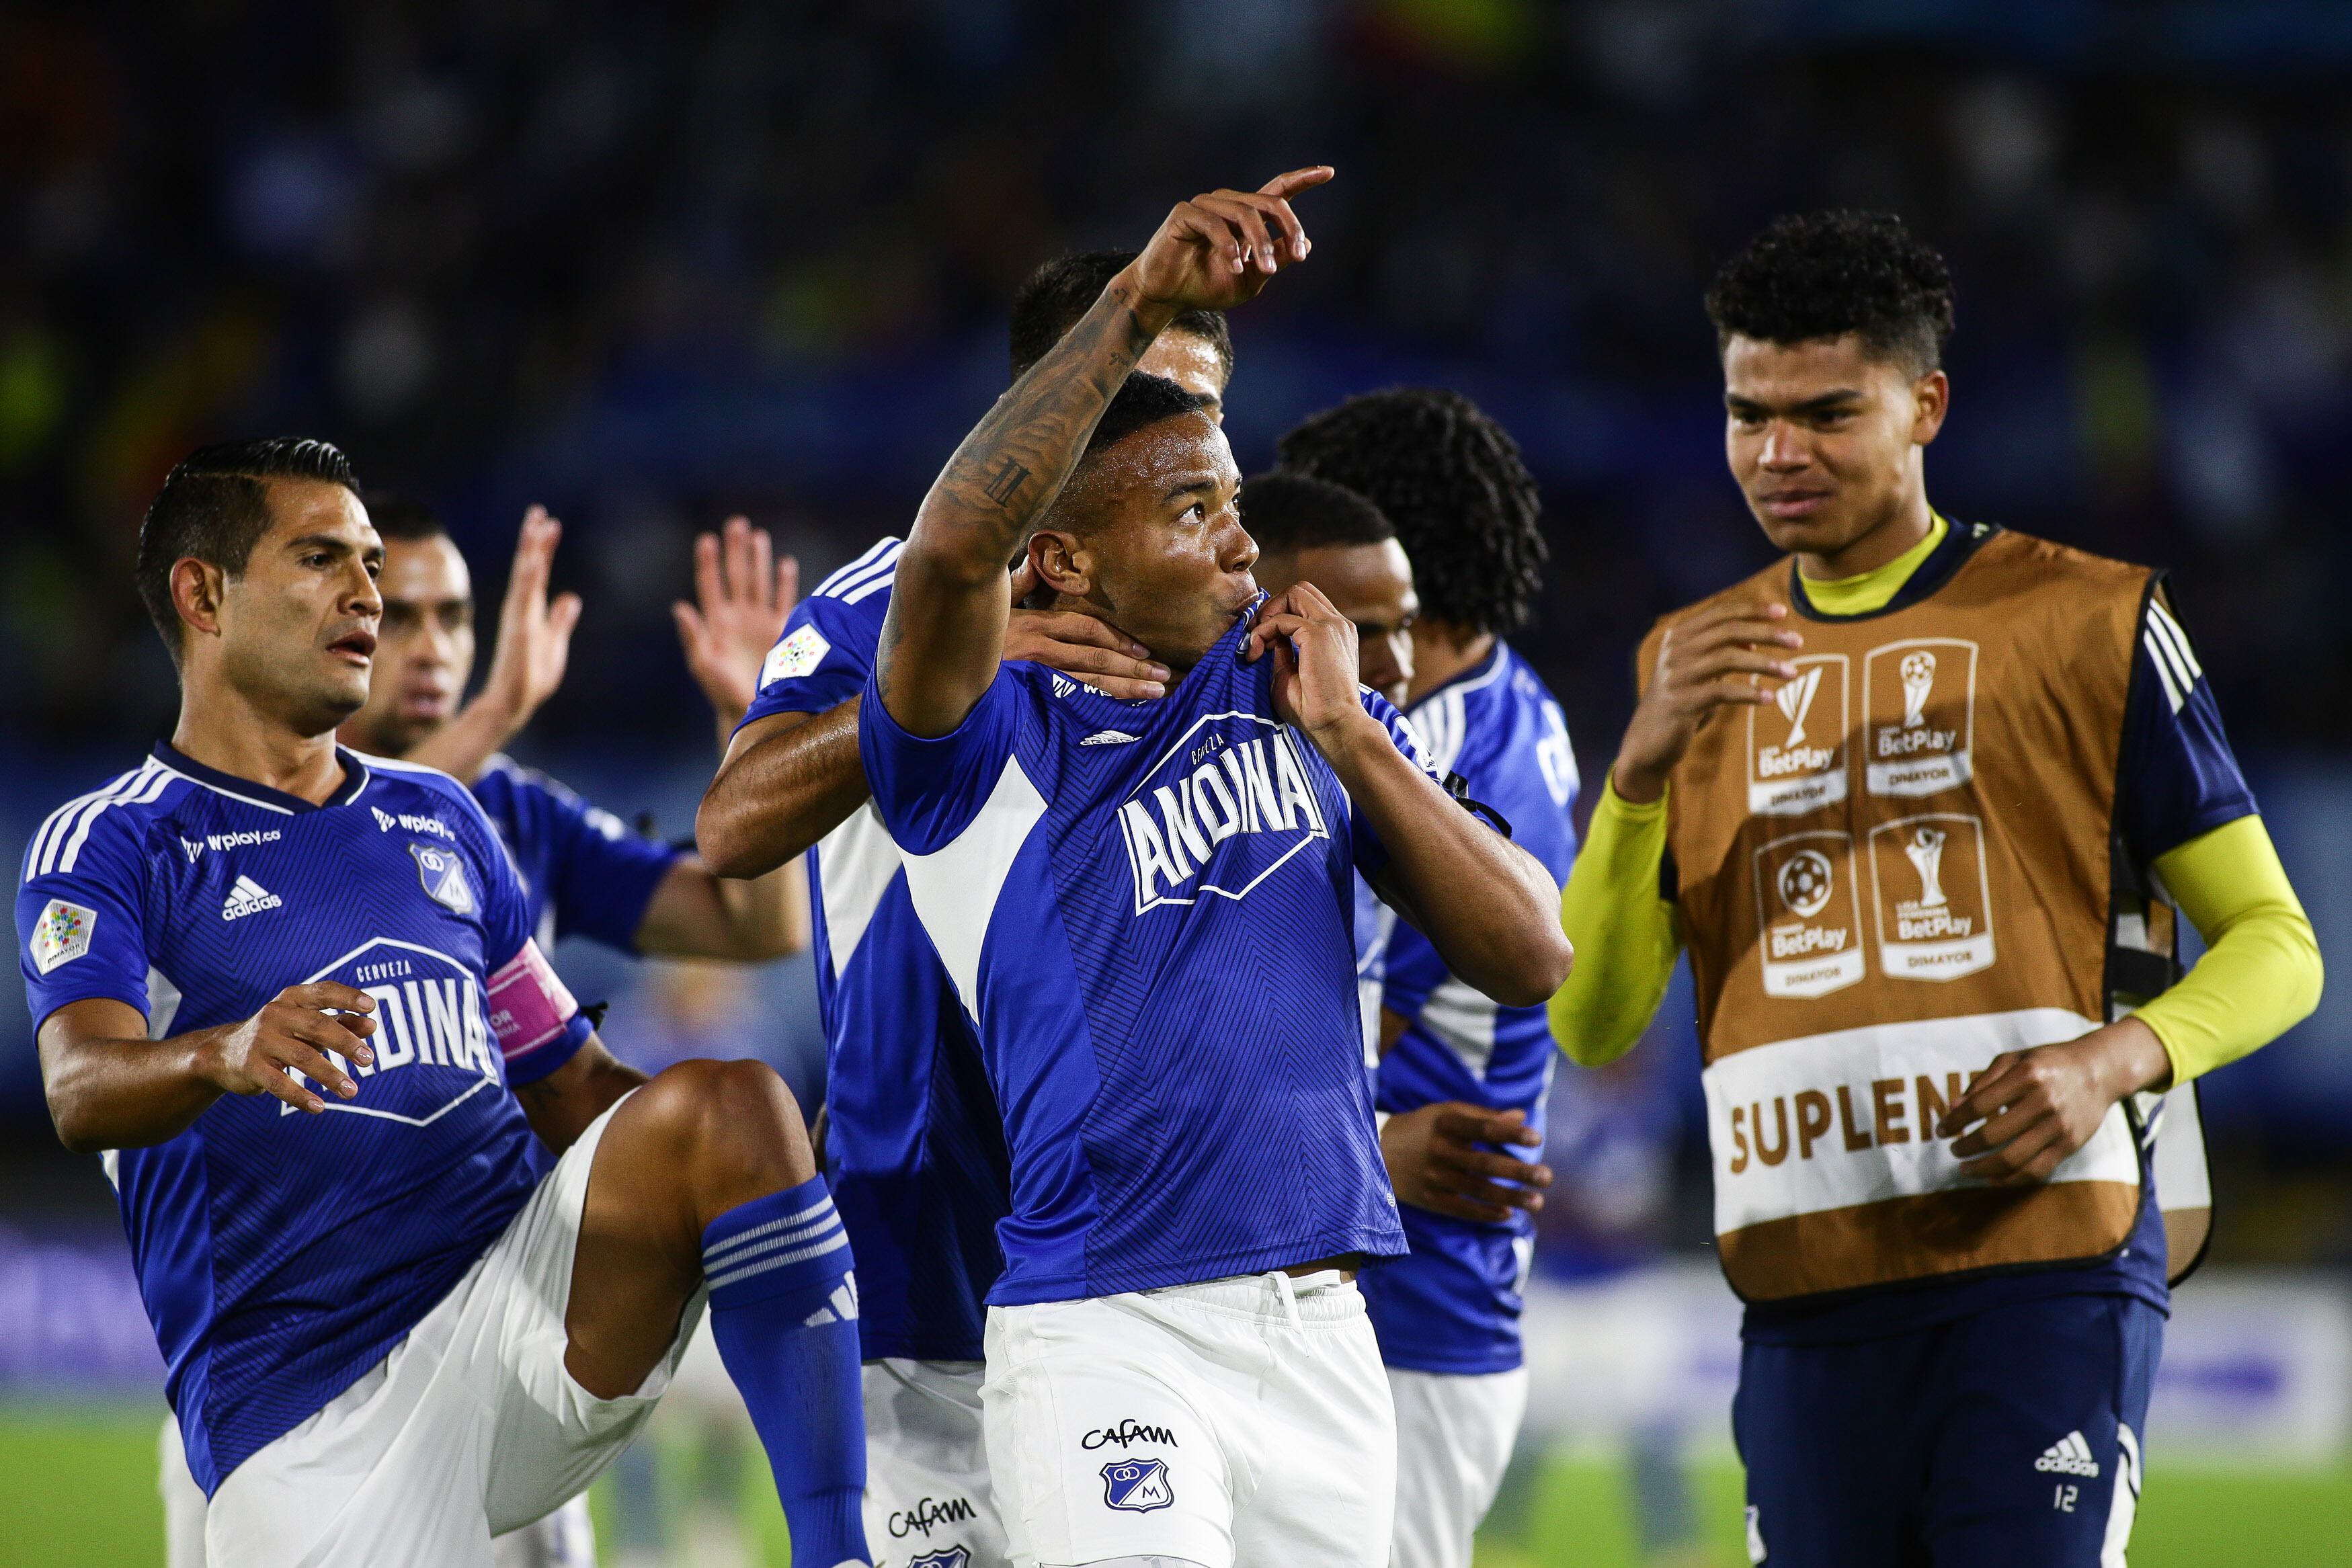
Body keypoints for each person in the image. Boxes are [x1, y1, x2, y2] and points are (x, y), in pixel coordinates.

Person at [1549, 210, 2324, 1565]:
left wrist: (2109, 1063)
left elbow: (2279, 943)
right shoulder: (1693, 660)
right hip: (1804, 1297)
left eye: (1826, 413)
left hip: (2041, 1270)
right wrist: (1637, 775)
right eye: (1748, 414)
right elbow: (1592, 1019)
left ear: (1927, 407)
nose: (1778, 453)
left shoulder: (2088, 622)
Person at [855, 165, 1570, 1568]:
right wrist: (1135, 304)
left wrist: (1354, 739)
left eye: (1233, 499)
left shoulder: (1299, 693)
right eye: (1192, 510)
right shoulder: (984, 733)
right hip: (1112, 1323)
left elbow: (1531, 949)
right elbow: (947, 557)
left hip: (1327, 1337)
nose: (1241, 537)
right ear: (1063, 559)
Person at [17, 439, 870, 1568]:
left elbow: (573, 1083)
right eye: (321, 559)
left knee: (739, 1103)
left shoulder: (448, 819)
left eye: (371, 563)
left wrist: (771, 1174)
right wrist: (221, 1051)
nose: (366, 593)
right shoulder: (116, 842)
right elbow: (78, 1087)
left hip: (509, 1317)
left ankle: (838, 1550)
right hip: (303, 1413)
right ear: (203, 594)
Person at [695, 256, 1233, 1568]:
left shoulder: (1214, 630)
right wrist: (943, 682)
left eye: (1201, 411)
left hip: (1148, 1252)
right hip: (922, 1247)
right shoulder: (885, 601)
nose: (1169, 437)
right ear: (1046, 400)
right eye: (1134, 397)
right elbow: (735, 825)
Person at [1276, 388, 1583, 1568]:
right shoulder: (1507, 703)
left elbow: (1340, 1008)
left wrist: (1360, 1145)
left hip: (1408, 1288)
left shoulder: (1426, 747)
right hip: (1418, 1284)